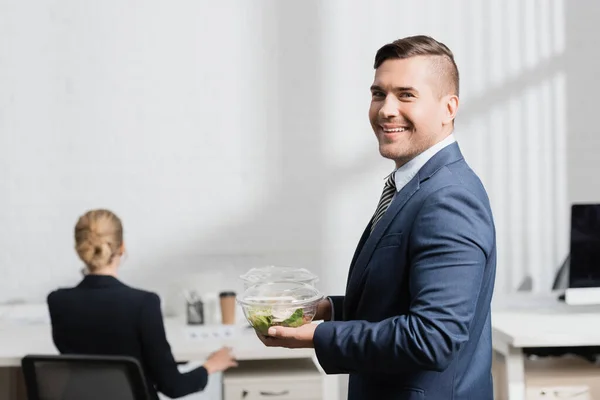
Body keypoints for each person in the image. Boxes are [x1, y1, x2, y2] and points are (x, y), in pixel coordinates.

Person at [259, 35, 497, 400]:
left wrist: (318, 337)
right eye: (378, 94)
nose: (386, 109)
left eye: (406, 95)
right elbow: (398, 298)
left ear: (449, 108)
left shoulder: (449, 199)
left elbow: (433, 338)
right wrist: (327, 309)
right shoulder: (416, 187)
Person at [47, 209, 237, 399]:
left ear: (80, 249)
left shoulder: (58, 302)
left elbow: (97, 355)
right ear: (121, 248)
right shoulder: (143, 304)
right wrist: (210, 365)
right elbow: (173, 387)